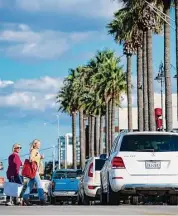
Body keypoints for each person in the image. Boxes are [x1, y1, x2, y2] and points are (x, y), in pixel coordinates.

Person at [23, 139, 46, 206]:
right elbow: (31, 159)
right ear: (34, 144)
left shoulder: (36, 151)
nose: (39, 145)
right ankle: (42, 199)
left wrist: (40, 157)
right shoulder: (34, 151)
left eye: (40, 144)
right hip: (34, 170)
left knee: (30, 185)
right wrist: (36, 156)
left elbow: (35, 159)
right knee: (39, 183)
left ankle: (25, 198)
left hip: (35, 170)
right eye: (38, 144)